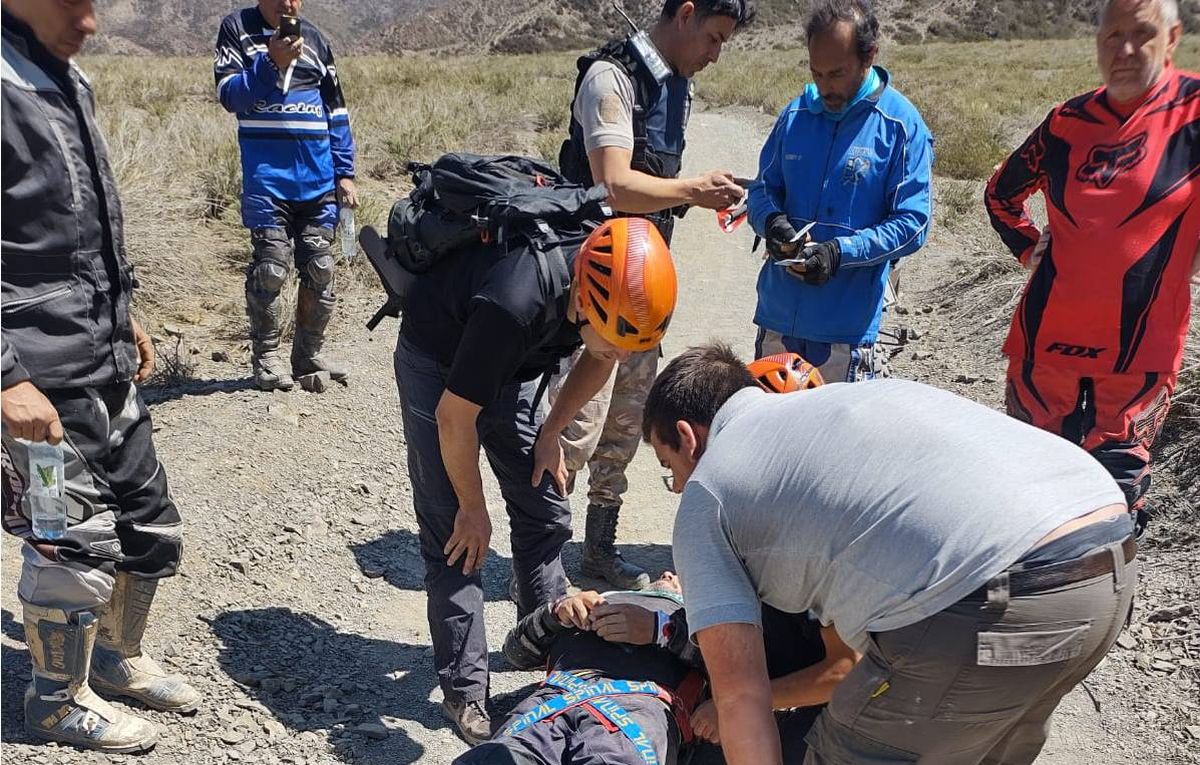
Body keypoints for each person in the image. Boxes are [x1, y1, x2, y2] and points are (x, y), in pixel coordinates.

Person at [644, 343, 1136, 764]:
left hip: (994, 598)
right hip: (1100, 576)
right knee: (972, 736)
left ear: (689, 437)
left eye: (671, 467)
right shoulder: (843, 402)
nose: (679, 486)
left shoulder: (710, 489)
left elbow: (742, 696)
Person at [395, 216, 678, 743]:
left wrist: (551, 432)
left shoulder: (606, 296)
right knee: (456, 538)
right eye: (614, 341)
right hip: (439, 360)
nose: (619, 355)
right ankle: (464, 691)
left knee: (545, 505)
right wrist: (472, 508)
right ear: (585, 303)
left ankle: (547, 642)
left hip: (519, 366)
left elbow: (598, 358)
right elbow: (455, 419)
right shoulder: (515, 301)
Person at [1, 0, 198, 752]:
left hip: (100, 358)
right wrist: (5, 377)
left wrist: (123, 318)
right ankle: (55, 699)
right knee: (67, 536)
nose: (90, 20)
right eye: (72, 1)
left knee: (149, 518)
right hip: (36, 383)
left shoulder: (61, 78)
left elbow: (71, 229)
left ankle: (113, 657)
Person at [553, 0, 753, 590]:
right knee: (574, 425)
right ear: (685, 14)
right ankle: (539, 558)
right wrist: (691, 191)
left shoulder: (675, 89)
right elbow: (613, 182)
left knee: (625, 420)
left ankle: (597, 551)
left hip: (645, 286)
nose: (715, 54)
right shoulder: (610, 79)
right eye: (713, 37)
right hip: (595, 291)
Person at [985, 0, 1198, 536]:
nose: (1124, 50)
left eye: (1142, 34)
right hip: (1043, 345)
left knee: (1112, 509)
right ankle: (1028, 615)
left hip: (1138, 359)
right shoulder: (1066, 122)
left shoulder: (1194, 114)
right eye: (1112, 35)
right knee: (1028, 495)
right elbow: (1000, 194)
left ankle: (1103, 616)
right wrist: (1027, 245)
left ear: (1172, 38)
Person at [454, 573, 854, 765]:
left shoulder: (705, 618)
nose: (667, 576)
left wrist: (664, 631)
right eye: (663, 574)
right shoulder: (602, 600)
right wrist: (556, 614)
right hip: (555, 699)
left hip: (639, 713)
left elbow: (737, 671)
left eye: (677, 576)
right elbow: (516, 654)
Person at [747, 0, 932, 383]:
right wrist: (772, 222)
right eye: (816, 73)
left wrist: (839, 253)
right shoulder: (796, 115)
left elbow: (914, 223)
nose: (824, 87)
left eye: (836, 73)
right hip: (778, 321)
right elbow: (762, 190)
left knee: (832, 443)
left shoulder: (900, 125)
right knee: (771, 439)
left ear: (869, 57)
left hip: (845, 335)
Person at [213, 0, 358, 392]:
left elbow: (336, 111)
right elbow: (230, 95)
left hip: (317, 178)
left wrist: (345, 173)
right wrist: (269, 62)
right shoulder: (237, 30)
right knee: (271, 268)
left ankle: (308, 355)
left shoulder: (315, 39)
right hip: (267, 181)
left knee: (321, 268)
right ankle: (267, 359)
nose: (288, 3)